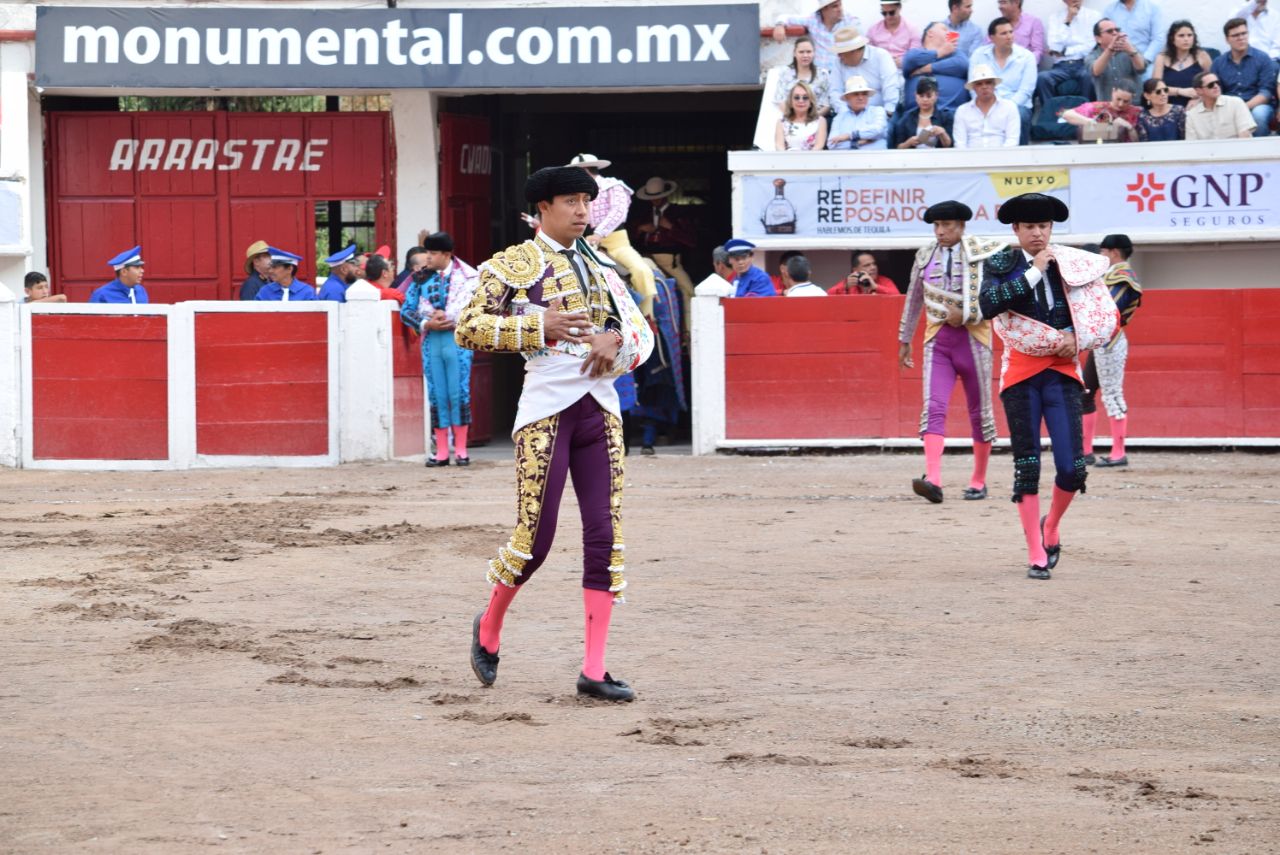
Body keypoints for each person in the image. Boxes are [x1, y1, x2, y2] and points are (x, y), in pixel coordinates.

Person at [455, 165, 654, 702]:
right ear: (542, 208)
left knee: (605, 538)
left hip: (601, 410)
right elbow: (468, 326)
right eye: (570, 200)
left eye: (586, 201)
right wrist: (535, 325)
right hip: (546, 410)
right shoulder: (513, 264)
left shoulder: (603, 266)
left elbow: (636, 330)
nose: (582, 210)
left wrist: (615, 340)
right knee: (535, 540)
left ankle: (594, 669)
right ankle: (489, 625)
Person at [978, 193, 1119, 580]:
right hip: (1021, 377)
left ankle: (1051, 525)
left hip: (1062, 374)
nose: (1037, 233)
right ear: (1016, 229)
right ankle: (1035, 553)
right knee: (1027, 466)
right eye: (1029, 227)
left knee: (1073, 468)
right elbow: (988, 306)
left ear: (1051, 228)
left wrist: (1079, 337)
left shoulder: (1072, 264)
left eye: (1043, 226)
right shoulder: (1000, 264)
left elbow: (1102, 314)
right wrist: (1034, 271)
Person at [898, 201, 1004, 504]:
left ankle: (978, 480)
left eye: (946, 225)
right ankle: (933, 479)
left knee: (980, 412)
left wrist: (968, 314)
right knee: (933, 407)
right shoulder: (924, 255)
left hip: (975, 340)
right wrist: (904, 338)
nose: (940, 231)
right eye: (936, 226)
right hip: (938, 340)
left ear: (961, 226)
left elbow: (996, 296)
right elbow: (914, 298)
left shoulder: (983, 253)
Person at [401, 231, 480, 468]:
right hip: (432, 340)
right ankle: (443, 451)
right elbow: (406, 311)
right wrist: (427, 323)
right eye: (427, 252)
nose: (428, 257)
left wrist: (450, 317)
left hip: (458, 340)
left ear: (446, 255)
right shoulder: (420, 278)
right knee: (437, 394)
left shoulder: (469, 277)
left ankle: (461, 450)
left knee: (459, 392)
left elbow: (477, 308)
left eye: (433, 253)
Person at [568, 154, 658, 317]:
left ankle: (646, 316)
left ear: (585, 171)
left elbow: (618, 212)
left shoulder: (613, 185)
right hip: (584, 242)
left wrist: (598, 233)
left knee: (641, 271)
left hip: (615, 242)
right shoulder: (577, 194)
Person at [1083, 233, 1143, 469]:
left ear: (1114, 252)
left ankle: (1118, 453)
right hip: (1101, 342)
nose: (1101, 256)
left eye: (1103, 252)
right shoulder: (1112, 275)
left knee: (1112, 395)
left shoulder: (1122, 277)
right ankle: (1086, 452)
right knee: (1085, 393)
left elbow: (1108, 311)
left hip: (1110, 342)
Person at [631, 176, 698, 329]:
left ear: (665, 195)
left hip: (670, 262)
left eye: (658, 197)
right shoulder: (644, 214)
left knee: (688, 292)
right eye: (652, 197)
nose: (655, 200)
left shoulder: (677, 213)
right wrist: (640, 229)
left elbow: (691, 240)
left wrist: (671, 228)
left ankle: (688, 332)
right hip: (646, 259)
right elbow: (630, 235)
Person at [970, 17, 1037, 143]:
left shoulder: (1027, 56)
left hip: (1016, 105)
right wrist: (988, 107)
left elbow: (1026, 91)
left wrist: (1004, 109)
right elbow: (973, 87)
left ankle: (1021, 154)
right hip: (985, 103)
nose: (1009, 36)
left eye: (1011, 32)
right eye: (1004, 33)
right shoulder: (978, 55)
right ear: (992, 38)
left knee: (1021, 115)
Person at [1211, 18, 1278, 137]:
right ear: (1227, 39)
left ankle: (1258, 148)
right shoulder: (1218, 63)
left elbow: (1266, 92)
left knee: (1259, 115)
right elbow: (1215, 91)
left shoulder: (1263, 58)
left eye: (1244, 33)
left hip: (1257, 105)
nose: (1241, 38)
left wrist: (1242, 108)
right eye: (1235, 35)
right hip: (1229, 106)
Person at [1037, 0, 1102, 110]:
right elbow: (1054, 46)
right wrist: (1068, 20)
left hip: (1084, 63)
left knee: (1089, 76)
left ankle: (1087, 114)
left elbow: (1091, 46)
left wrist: (1065, 52)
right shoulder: (1055, 18)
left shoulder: (1093, 15)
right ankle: (1050, 114)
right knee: (1042, 78)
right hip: (1060, 66)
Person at [772, 0, 864, 77]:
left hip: (841, 73)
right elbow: (785, 17)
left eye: (840, 5)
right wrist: (779, 25)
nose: (840, 9)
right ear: (824, 9)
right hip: (817, 74)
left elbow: (861, 45)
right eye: (835, 6)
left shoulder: (850, 21)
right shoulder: (813, 19)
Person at [831, 28, 900, 116]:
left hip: (881, 114)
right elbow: (835, 91)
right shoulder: (838, 62)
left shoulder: (881, 56)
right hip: (849, 114)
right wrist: (846, 115)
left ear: (853, 51)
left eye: (840, 52)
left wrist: (887, 113)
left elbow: (890, 87)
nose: (838, 56)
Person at [903, 23, 971, 111]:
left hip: (954, 112)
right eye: (944, 29)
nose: (949, 32)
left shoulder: (956, 53)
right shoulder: (916, 52)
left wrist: (925, 69)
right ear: (930, 33)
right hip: (918, 114)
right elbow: (911, 60)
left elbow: (963, 65)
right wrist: (940, 52)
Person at [954, 64, 1021, 148]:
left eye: (988, 82)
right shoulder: (962, 110)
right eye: (979, 84)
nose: (984, 87)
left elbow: (1012, 140)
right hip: (971, 155)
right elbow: (960, 143)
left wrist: (1001, 155)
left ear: (994, 85)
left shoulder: (1009, 107)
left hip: (1003, 155)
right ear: (974, 87)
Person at [1152, 20, 1213, 108]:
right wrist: (1180, 91)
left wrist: (1200, 98)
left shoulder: (1201, 55)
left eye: (1189, 35)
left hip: (1197, 106)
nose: (1186, 39)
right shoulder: (1161, 58)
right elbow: (1155, 88)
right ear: (1172, 39)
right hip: (1168, 107)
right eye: (1181, 36)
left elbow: (1213, 84)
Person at [1185, 70, 1258, 139]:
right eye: (1210, 85)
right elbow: (1192, 144)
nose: (1216, 86)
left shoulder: (1236, 103)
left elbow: (1245, 135)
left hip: (1237, 147)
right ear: (1199, 91)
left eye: (1218, 83)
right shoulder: (1192, 115)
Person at [773, 36, 834, 116]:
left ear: (814, 53)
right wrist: (794, 118)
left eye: (809, 52)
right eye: (801, 52)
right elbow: (780, 100)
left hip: (817, 118)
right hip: (790, 118)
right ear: (794, 53)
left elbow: (827, 104)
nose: (805, 55)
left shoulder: (822, 74)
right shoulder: (785, 74)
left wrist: (811, 118)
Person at [827, 76, 890, 150]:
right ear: (847, 97)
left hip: (876, 156)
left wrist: (849, 136)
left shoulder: (878, 111)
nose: (861, 98)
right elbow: (831, 144)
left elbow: (878, 130)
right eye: (856, 94)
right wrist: (857, 143)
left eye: (864, 94)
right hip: (848, 157)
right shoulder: (839, 118)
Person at [891, 77, 956, 148]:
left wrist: (943, 133)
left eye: (929, 96)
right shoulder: (906, 118)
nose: (925, 100)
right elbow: (898, 147)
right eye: (921, 96)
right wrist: (909, 143)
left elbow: (950, 146)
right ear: (915, 95)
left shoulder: (946, 116)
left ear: (936, 95)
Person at [1062, 85, 1142, 142]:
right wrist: (1091, 122)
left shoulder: (1137, 112)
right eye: (1118, 99)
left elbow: (1137, 144)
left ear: (1132, 98)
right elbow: (1066, 114)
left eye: (1126, 101)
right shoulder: (1097, 107)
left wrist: (1130, 128)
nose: (1121, 104)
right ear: (1113, 92)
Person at [1103, 0, 1167, 67]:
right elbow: (1103, 37)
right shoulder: (1109, 10)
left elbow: (1158, 38)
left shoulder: (1152, 8)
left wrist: (1144, 60)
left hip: (1146, 63)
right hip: (1119, 65)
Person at [776, 81, 830, 151]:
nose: (801, 101)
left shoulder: (821, 121)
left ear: (811, 102)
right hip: (787, 157)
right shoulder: (781, 122)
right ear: (791, 102)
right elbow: (779, 146)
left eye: (805, 97)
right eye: (796, 97)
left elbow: (819, 146)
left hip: (812, 157)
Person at [867, 1, 919, 70]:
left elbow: (915, 54)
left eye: (891, 13)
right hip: (880, 68)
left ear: (899, 8)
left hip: (903, 69)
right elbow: (868, 52)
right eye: (884, 13)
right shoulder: (873, 30)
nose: (888, 17)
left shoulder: (912, 29)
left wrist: (902, 61)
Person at [829, 250, 899, 294]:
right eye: (867, 265)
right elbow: (828, 295)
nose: (873, 267)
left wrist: (876, 287)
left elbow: (898, 296)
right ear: (855, 270)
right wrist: (845, 287)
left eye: (874, 264)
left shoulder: (885, 281)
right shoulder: (850, 282)